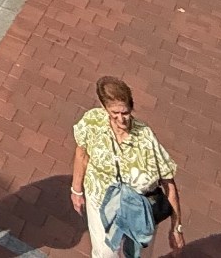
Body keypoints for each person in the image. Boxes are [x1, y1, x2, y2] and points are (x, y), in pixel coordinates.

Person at [71, 77, 183, 258]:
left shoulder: (145, 138)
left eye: (125, 112)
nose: (121, 119)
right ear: (103, 107)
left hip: (138, 211)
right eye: (114, 113)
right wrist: (76, 190)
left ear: (131, 107)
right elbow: (82, 154)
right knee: (105, 254)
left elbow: (169, 184)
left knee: (137, 254)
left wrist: (176, 228)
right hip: (100, 200)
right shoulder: (92, 122)